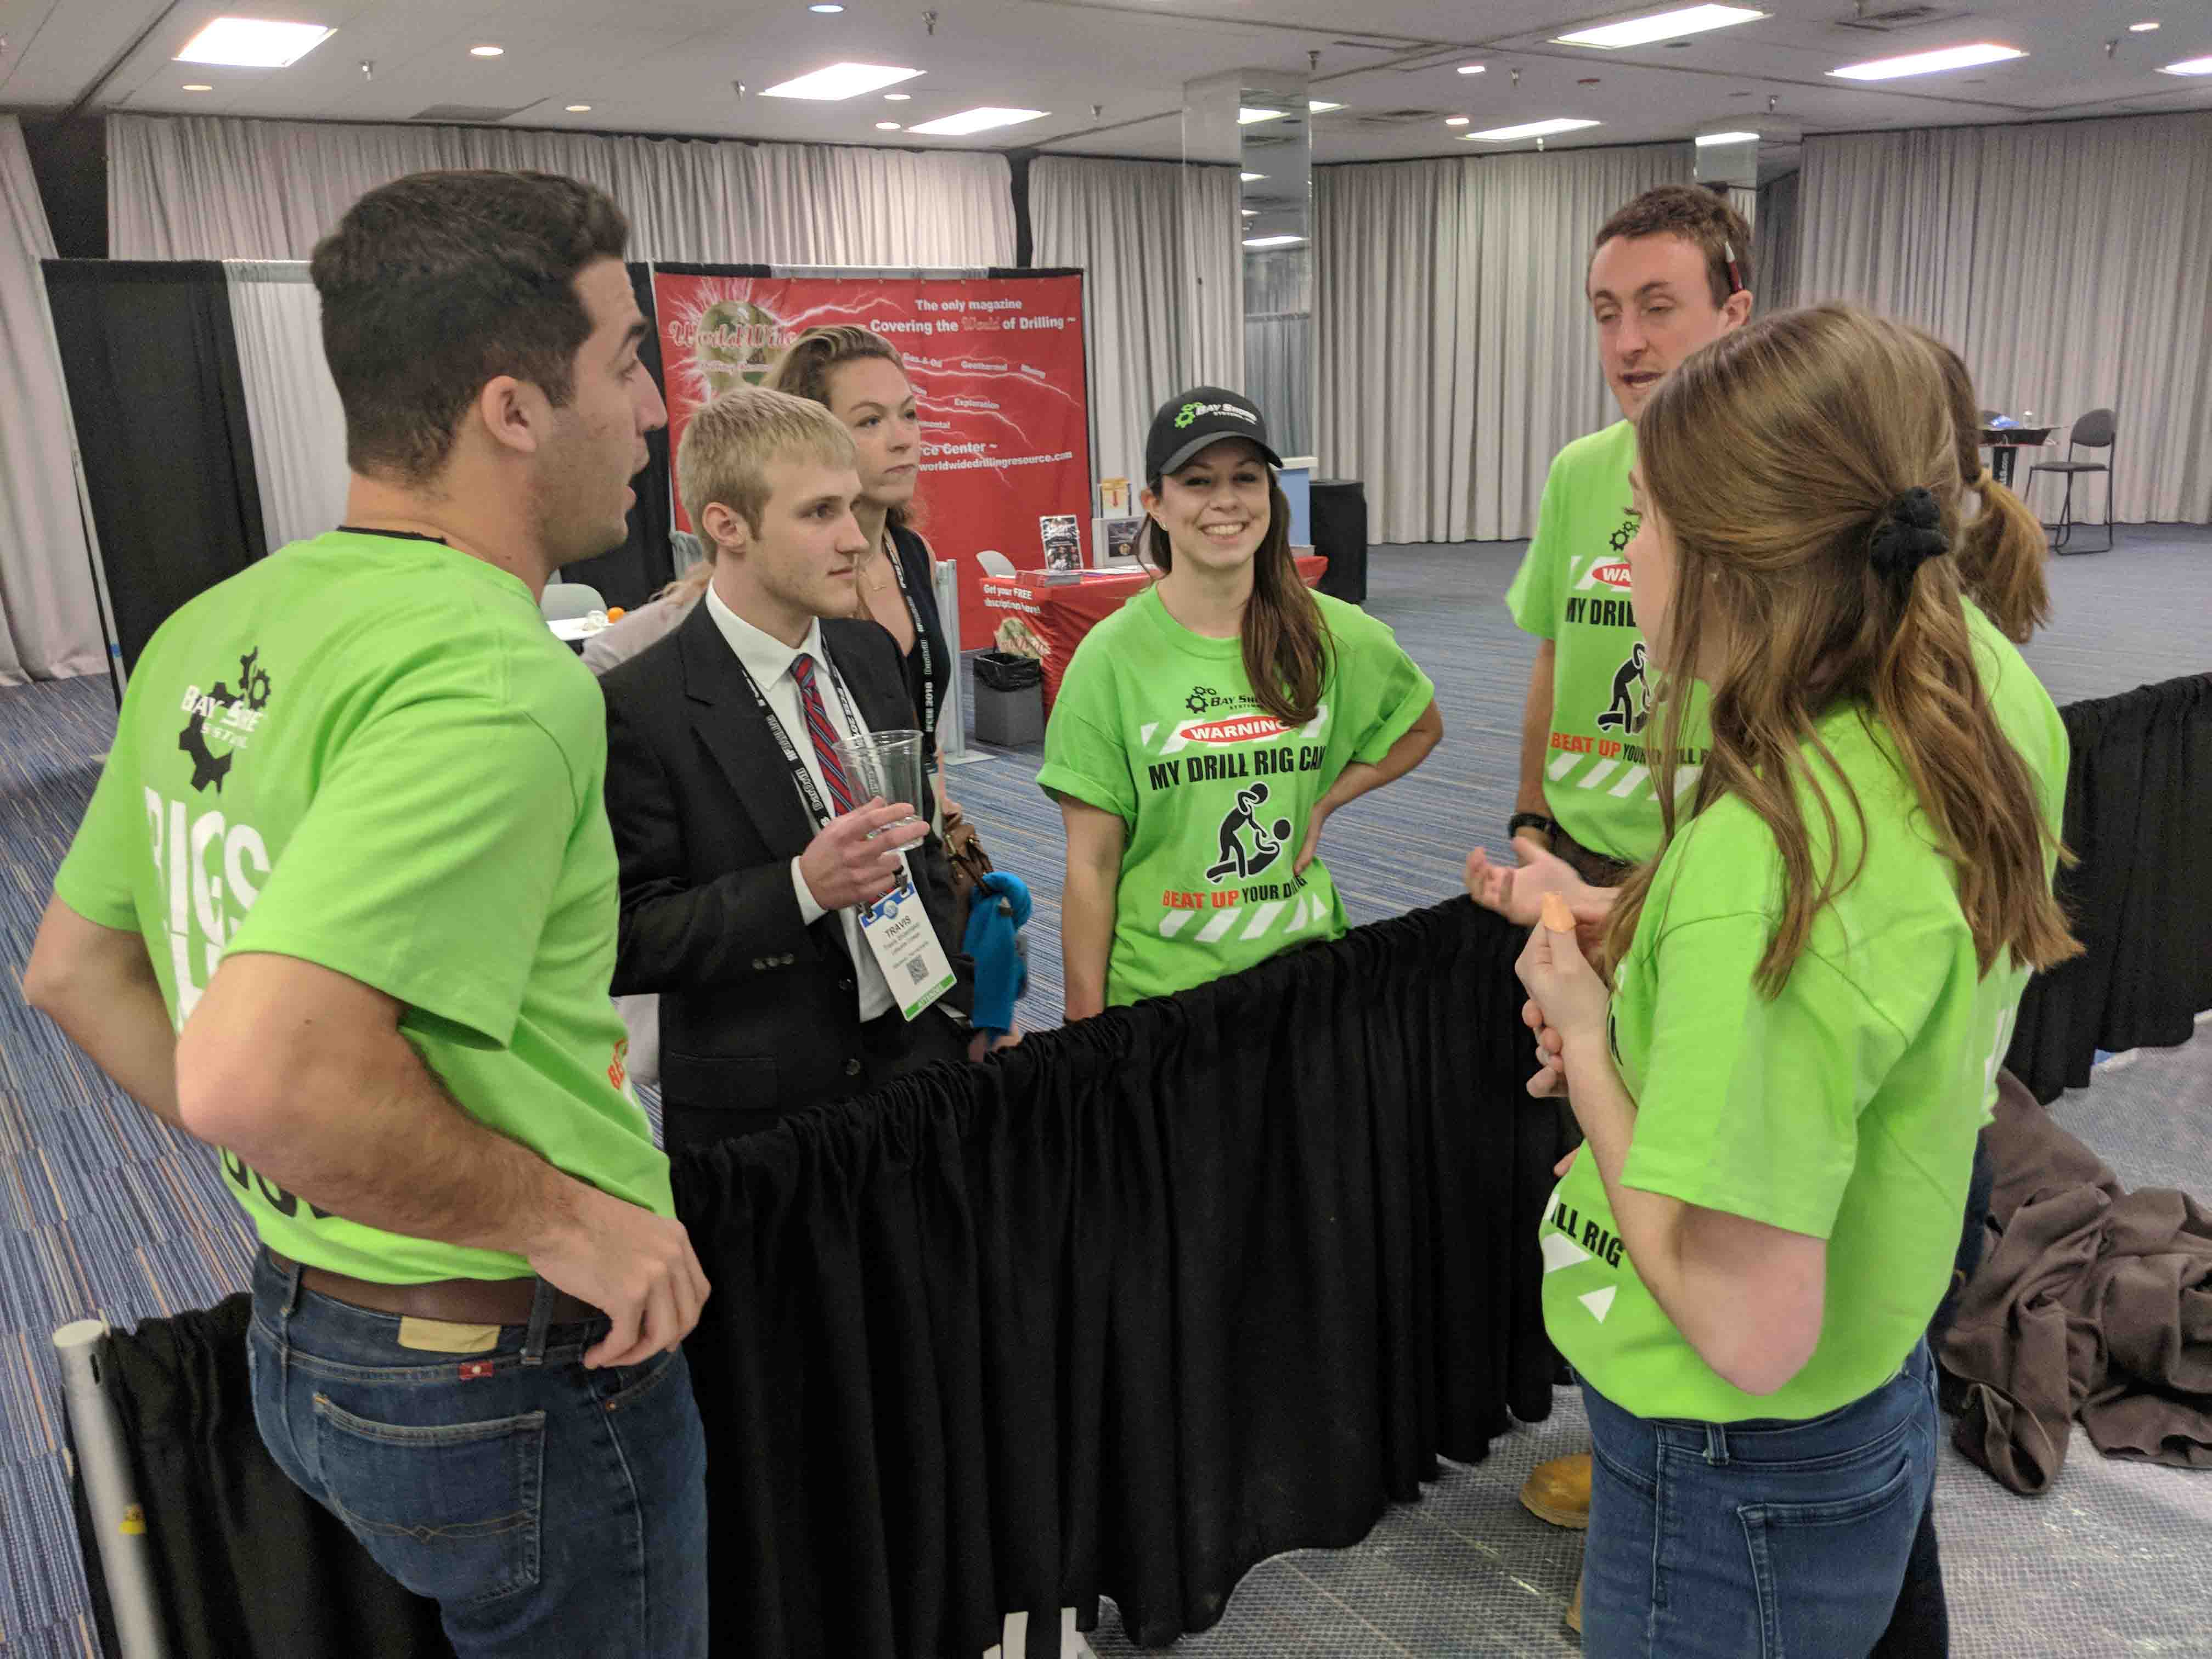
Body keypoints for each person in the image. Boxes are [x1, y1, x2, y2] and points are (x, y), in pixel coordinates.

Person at [22, 170, 710, 1656]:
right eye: (629, 363)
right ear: (513, 409)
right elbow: (255, 1069)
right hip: (507, 1367)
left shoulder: (218, 621)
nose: (658, 410)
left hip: (304, 1335)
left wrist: (304, 1165)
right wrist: (565, 1222)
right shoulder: (495, 679)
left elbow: (77, 972)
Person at [1512, 304, 2079, 1658]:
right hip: (1875, 1358)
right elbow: (1867, 1007)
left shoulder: (1765, 871)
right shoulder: (1981, 692)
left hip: (1733, 1452)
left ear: (1738, 563)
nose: (1618, 555)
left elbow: (1746, 1328)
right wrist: (1654, 958)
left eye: (1640, 522)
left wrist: (1595, 1048)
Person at [1496, 182, 1756, 1554]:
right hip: (1582, 864)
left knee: (1700, 1189)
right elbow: (1551, 647)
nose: (1630, 339)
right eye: (1608, 311)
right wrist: (1533, 815)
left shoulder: (1771, 494)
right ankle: (1626, 1448)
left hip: (1707, 887)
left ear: (1735, 311)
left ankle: (1681, 1506)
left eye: (1660, 305)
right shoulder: (1583, 472)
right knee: (1595, 1175)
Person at [600, 385, 980, 1159]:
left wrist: (955, 995)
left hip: (918, 1062)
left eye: (853, 508)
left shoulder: (870, 656)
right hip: (768, 1114)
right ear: (727, 526)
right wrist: (802, 888)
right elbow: (628, 936)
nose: (856, 542)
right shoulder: (637, 705)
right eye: (819, 514)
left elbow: (921, 842)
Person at [1039, 387, 1441, 1017]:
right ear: (1157, 506)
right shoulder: (1111, 658)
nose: (1225, 501)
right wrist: (1084, 1032)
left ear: (1269, 497)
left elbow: (1419, 727)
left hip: (1304, 979)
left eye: (1245, 479)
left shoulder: (1333, 634)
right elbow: (1091, 866)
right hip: (1166, 998)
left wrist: (1327, 800)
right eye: (1198, 481)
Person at [769, 326, 956, 806]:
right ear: (816, 437)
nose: (903, 440)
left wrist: (944, 818)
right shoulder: (790, 577)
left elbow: (922, 732)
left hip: (913, 822)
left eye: (910, 415)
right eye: (870, 422)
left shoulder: (915, 554)